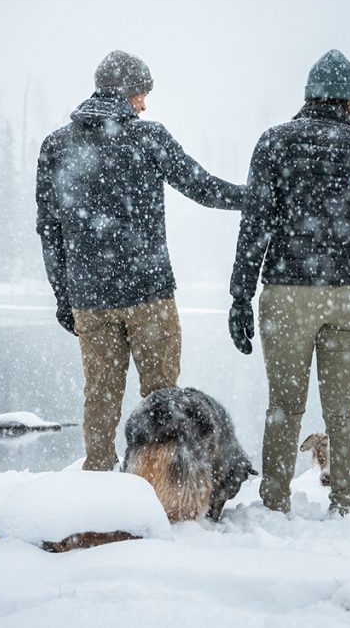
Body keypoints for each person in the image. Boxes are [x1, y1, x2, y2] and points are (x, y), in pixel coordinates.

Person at [36, 50, 245, 471]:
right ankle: (161, 482)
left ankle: (98, 474)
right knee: (163, 400)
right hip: (148, 294)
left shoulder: (57, 144)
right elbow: (200, 186)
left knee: (100, 395)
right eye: (142, 94)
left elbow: (49, 229)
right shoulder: (149, 137)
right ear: (128, 93)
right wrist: (252, 198)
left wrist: (64, 295)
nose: (145, 104)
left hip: (90, 298)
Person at [228, 49, 350, 515]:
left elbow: (255, 226)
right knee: (343, 414)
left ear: (309, 96)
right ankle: (346, 508)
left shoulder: (274, 143)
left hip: (287, 294)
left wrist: (239, 296)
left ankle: (274, 502)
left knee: (284, 407)